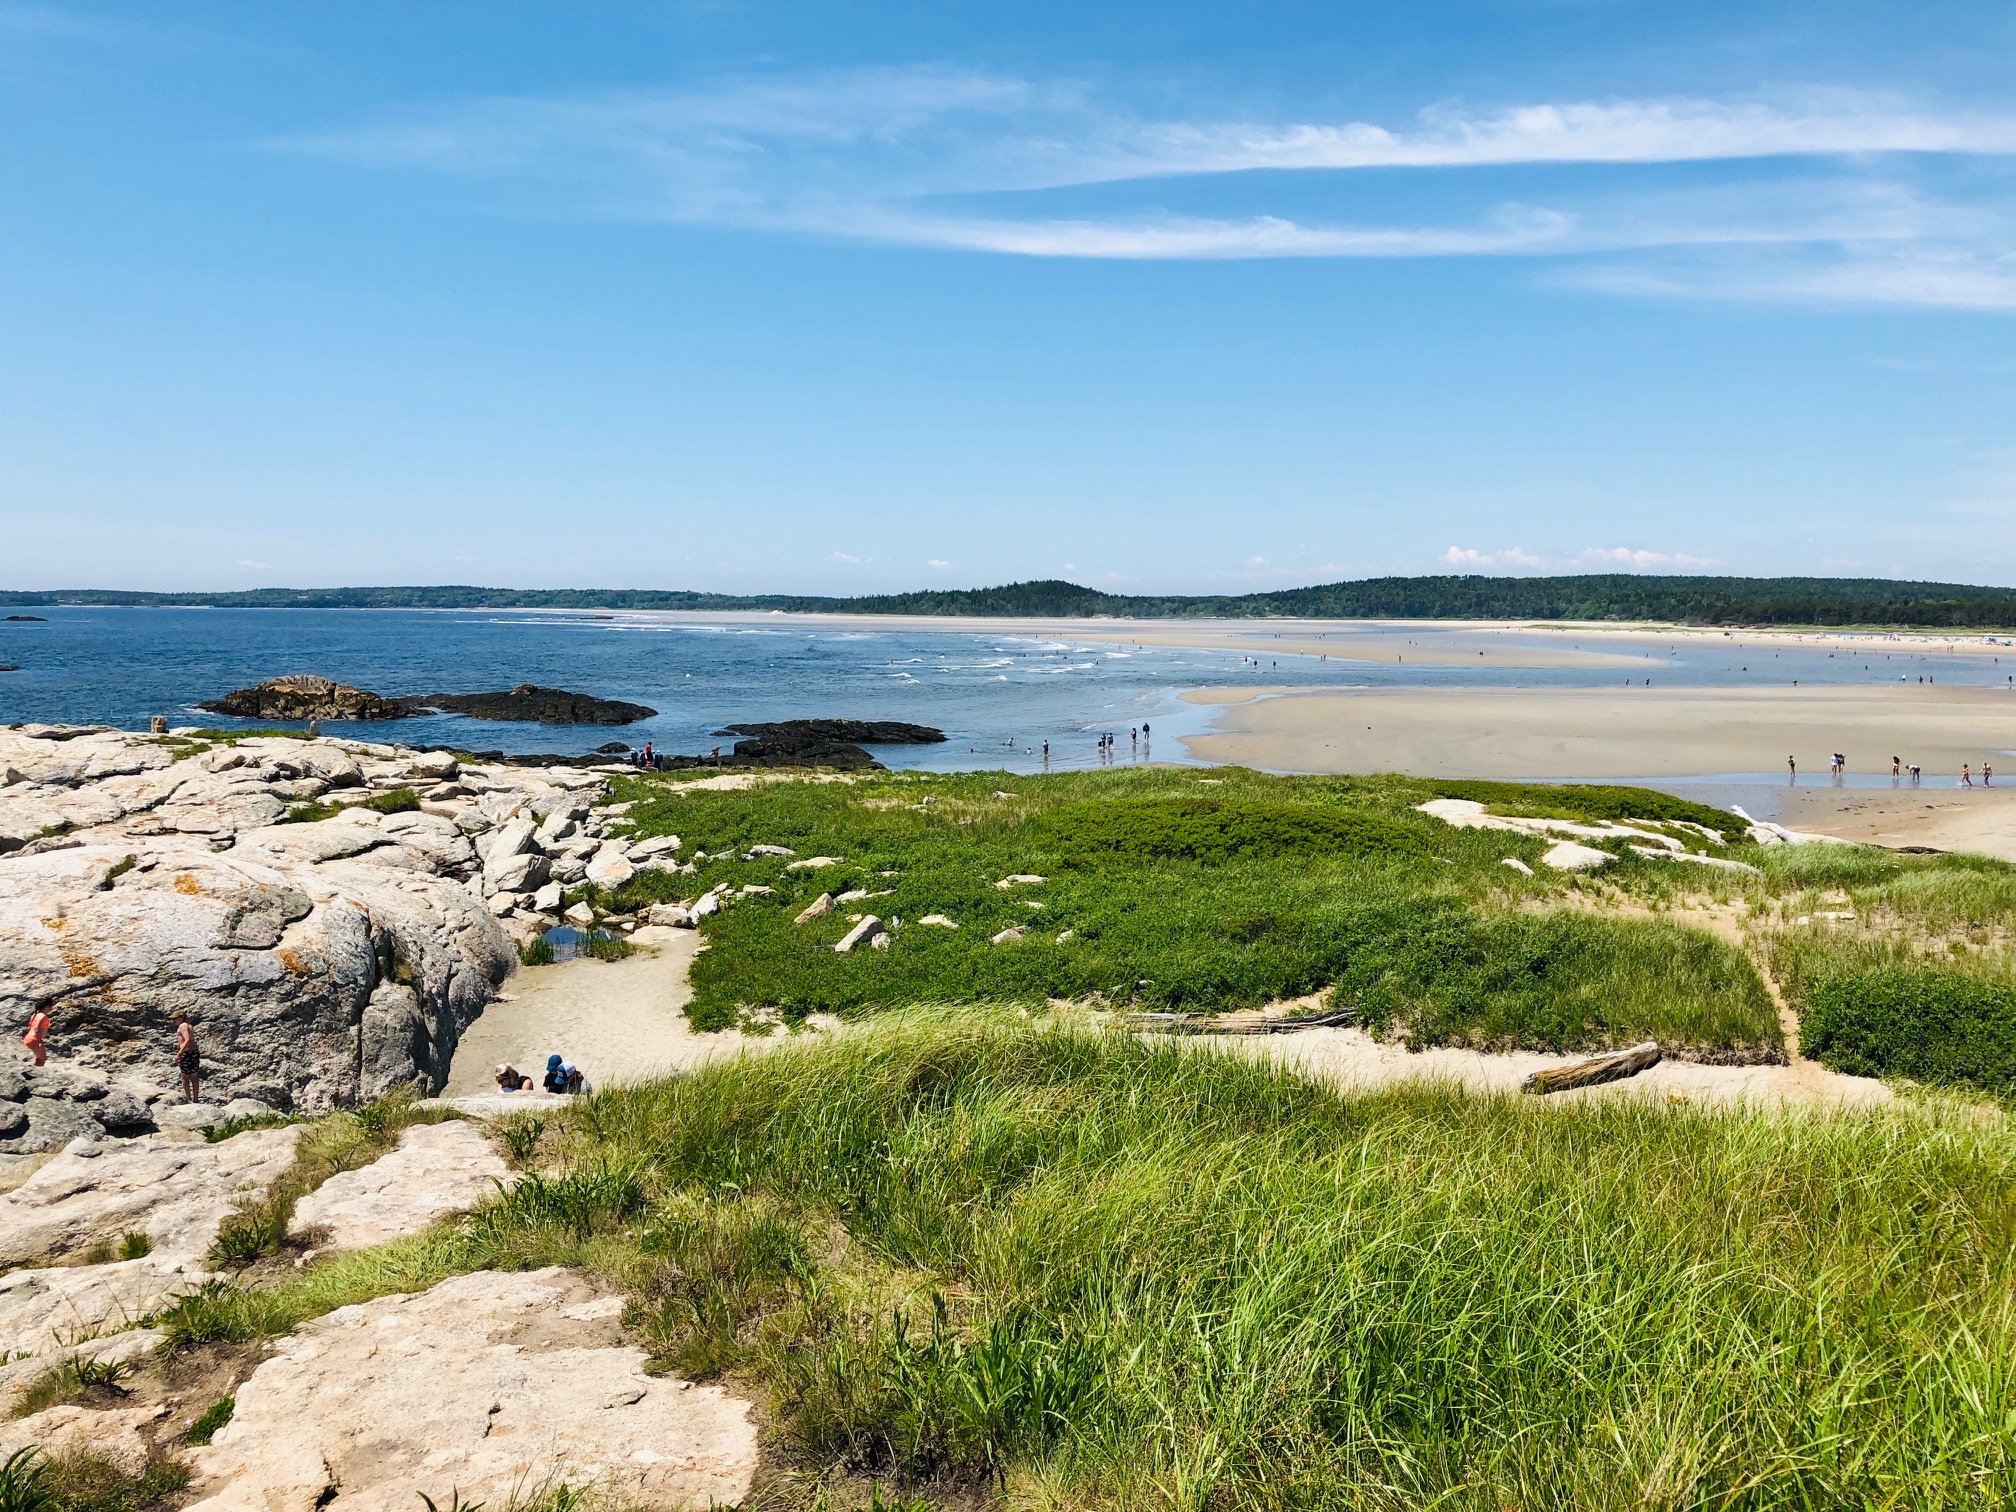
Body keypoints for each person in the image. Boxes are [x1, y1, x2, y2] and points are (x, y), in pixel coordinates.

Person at [171, 1011, 201, 1102]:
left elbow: (187, 1040)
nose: (173, 1021)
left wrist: (179, 1054)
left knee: (185, 1077)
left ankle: (189, 1099)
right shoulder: (189, 1025)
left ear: (181, 1017)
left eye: (174, 1019)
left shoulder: (182, 1026)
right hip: (194, 1052)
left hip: (187, 1053)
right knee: (194, 1075)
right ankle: (196, 1098)